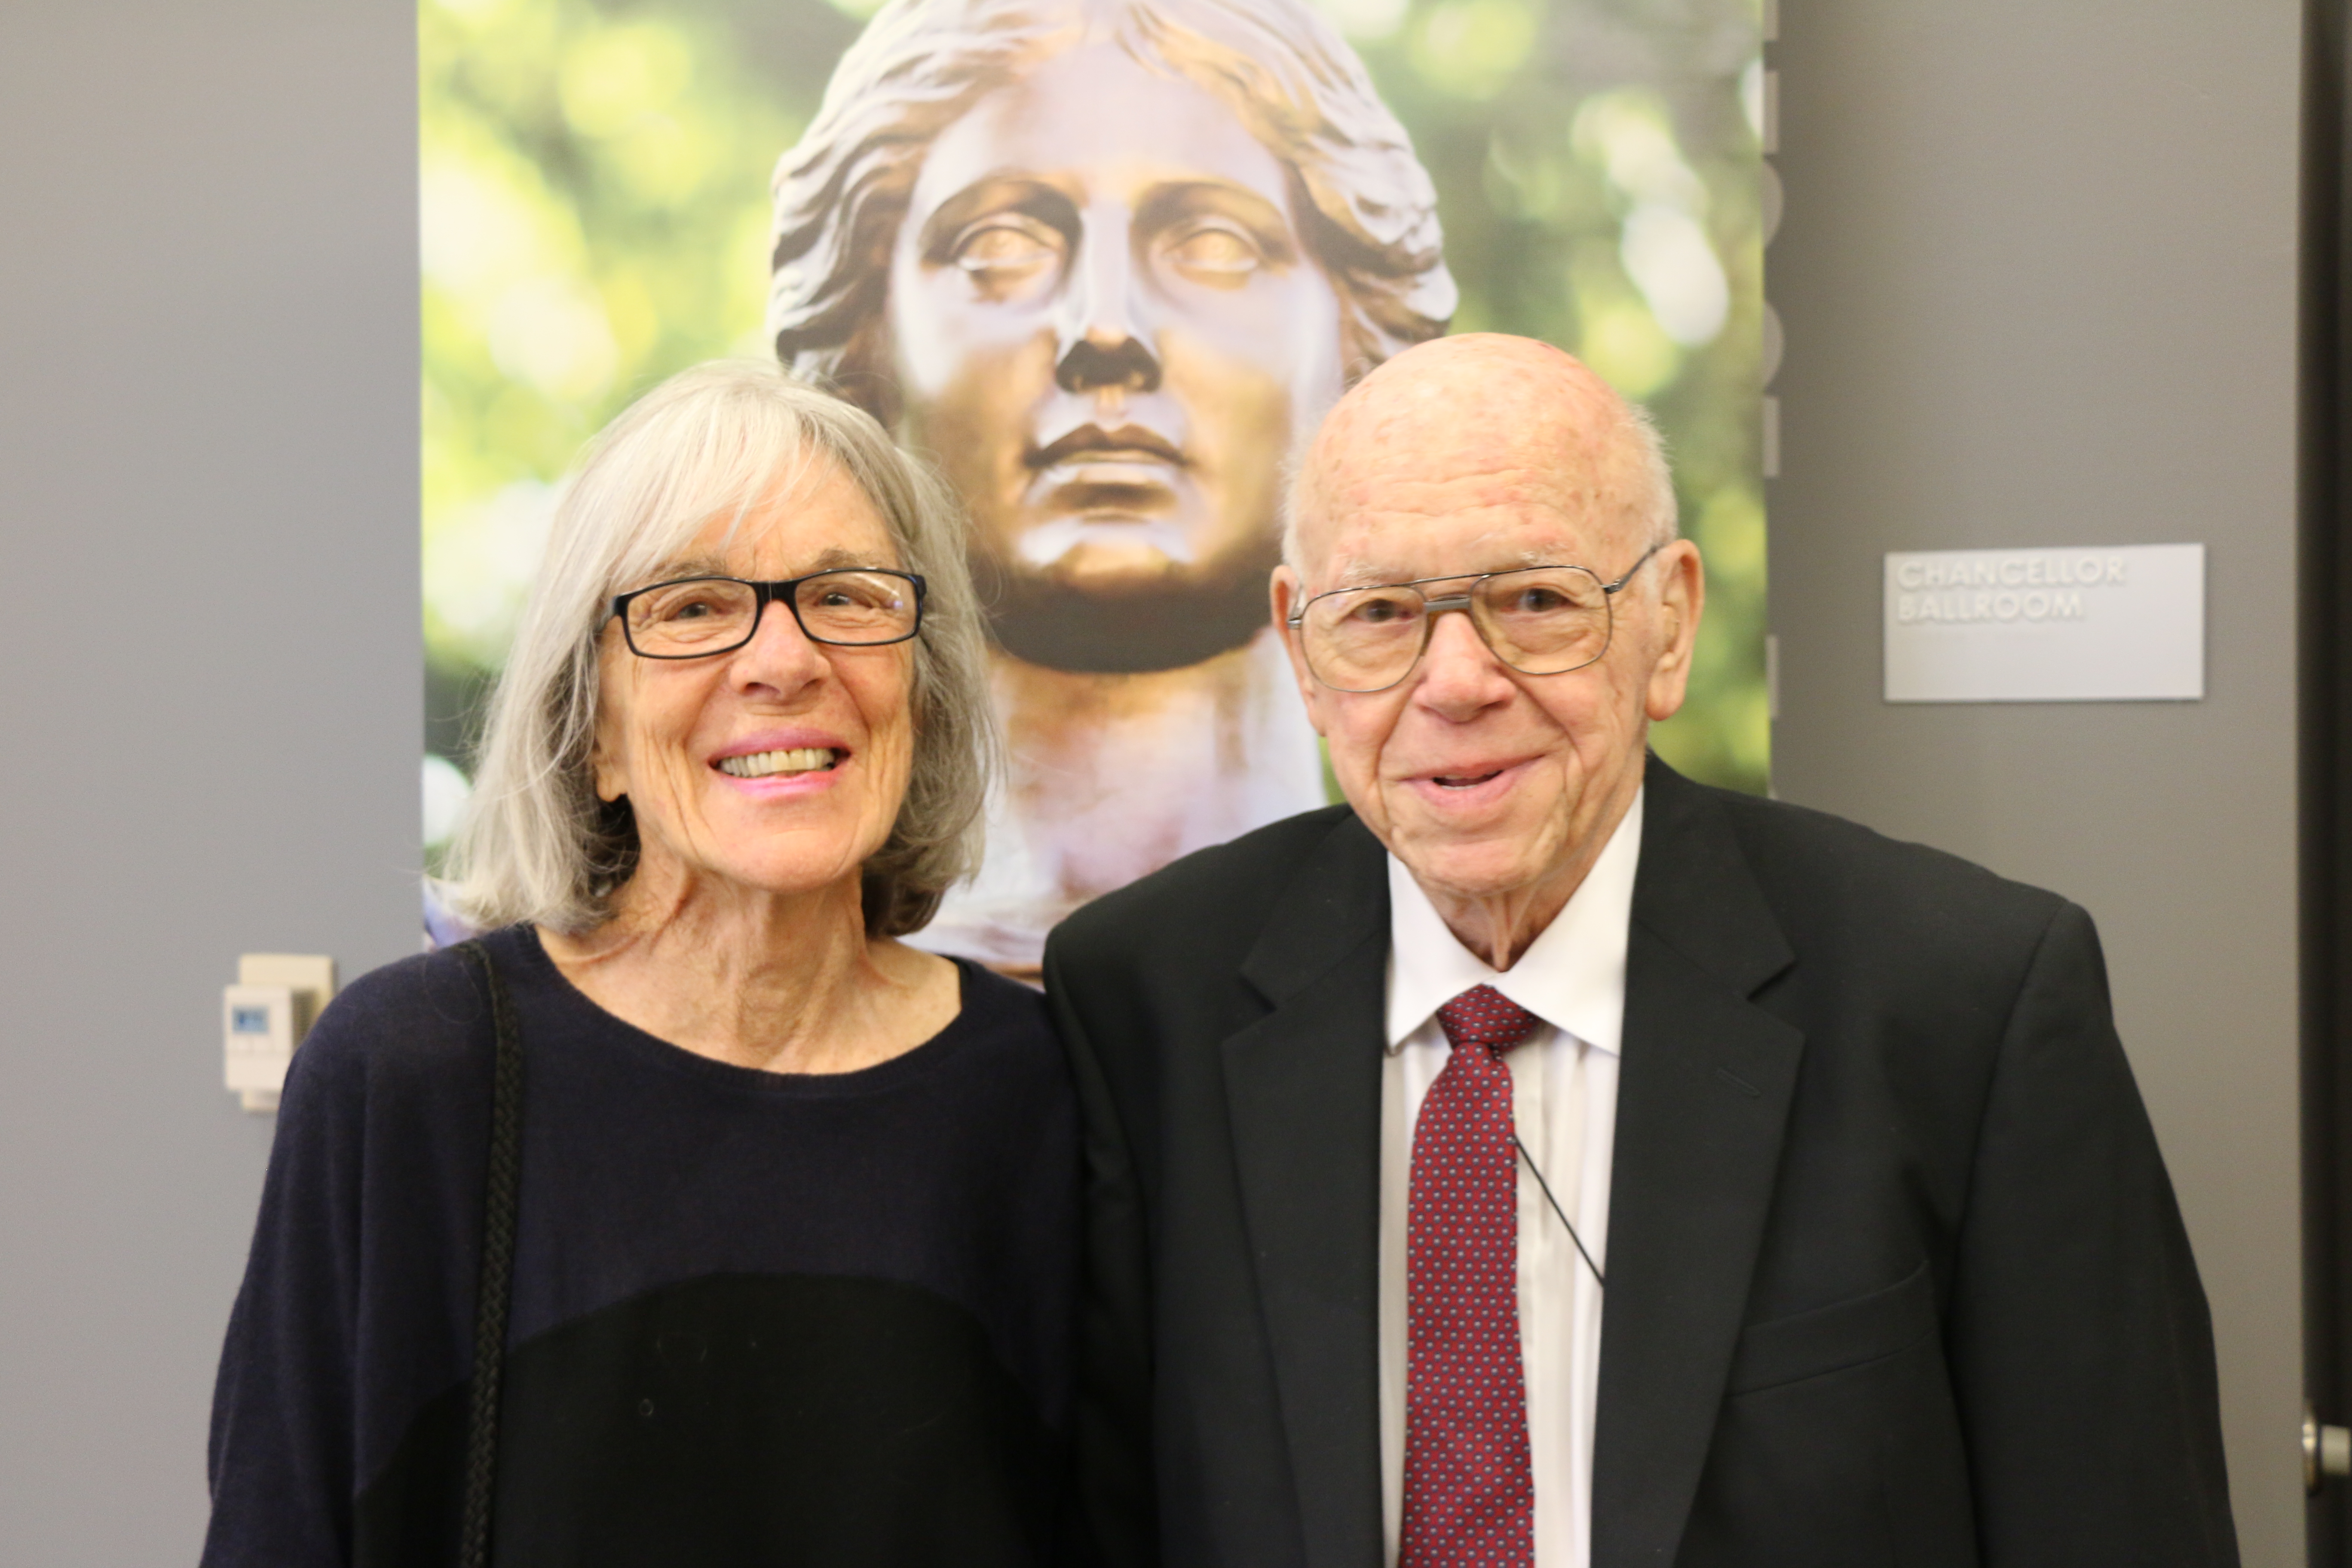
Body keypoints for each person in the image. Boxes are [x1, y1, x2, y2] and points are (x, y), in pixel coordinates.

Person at [1045, 334, 2238, 1566]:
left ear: (1667, 626)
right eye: (1384, 613)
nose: (1456, 682)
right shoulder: (1149, 1003)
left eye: (1536, 602)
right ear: (1302, 648)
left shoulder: (1964, 1004)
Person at [204, 361, 1078, 1565]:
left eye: (846, 595)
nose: (783, 661)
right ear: (593, 728)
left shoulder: (1047, 1096)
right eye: (692, 609)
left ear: (918, 692)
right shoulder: (410, 1078)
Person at [767, 0, 1456, 974]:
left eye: (1214, 244)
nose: (1105, 328)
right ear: (866, 348)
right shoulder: (705, 1021)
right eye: (999, 247)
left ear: (1359, 341)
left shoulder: (1505, 1000)